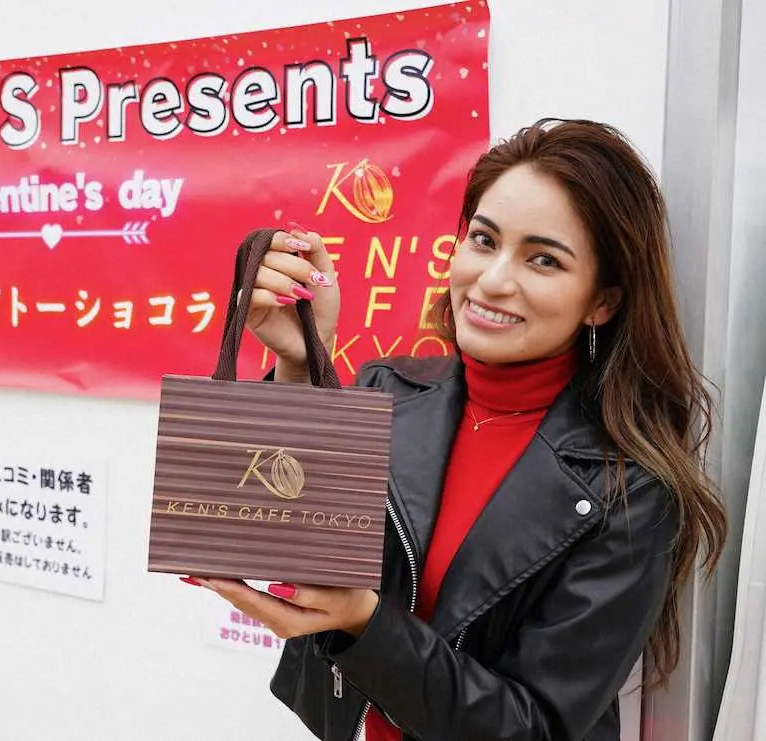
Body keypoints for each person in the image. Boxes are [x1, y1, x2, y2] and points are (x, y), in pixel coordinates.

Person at [182, 118, 728, 741]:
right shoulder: (388, 392)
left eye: (543, 259)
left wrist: (366, 623)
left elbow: (535, 726)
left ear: (602, 301)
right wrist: (303, 364)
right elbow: (287, 534)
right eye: (483, 240)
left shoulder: (628, 490)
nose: (493, 280)